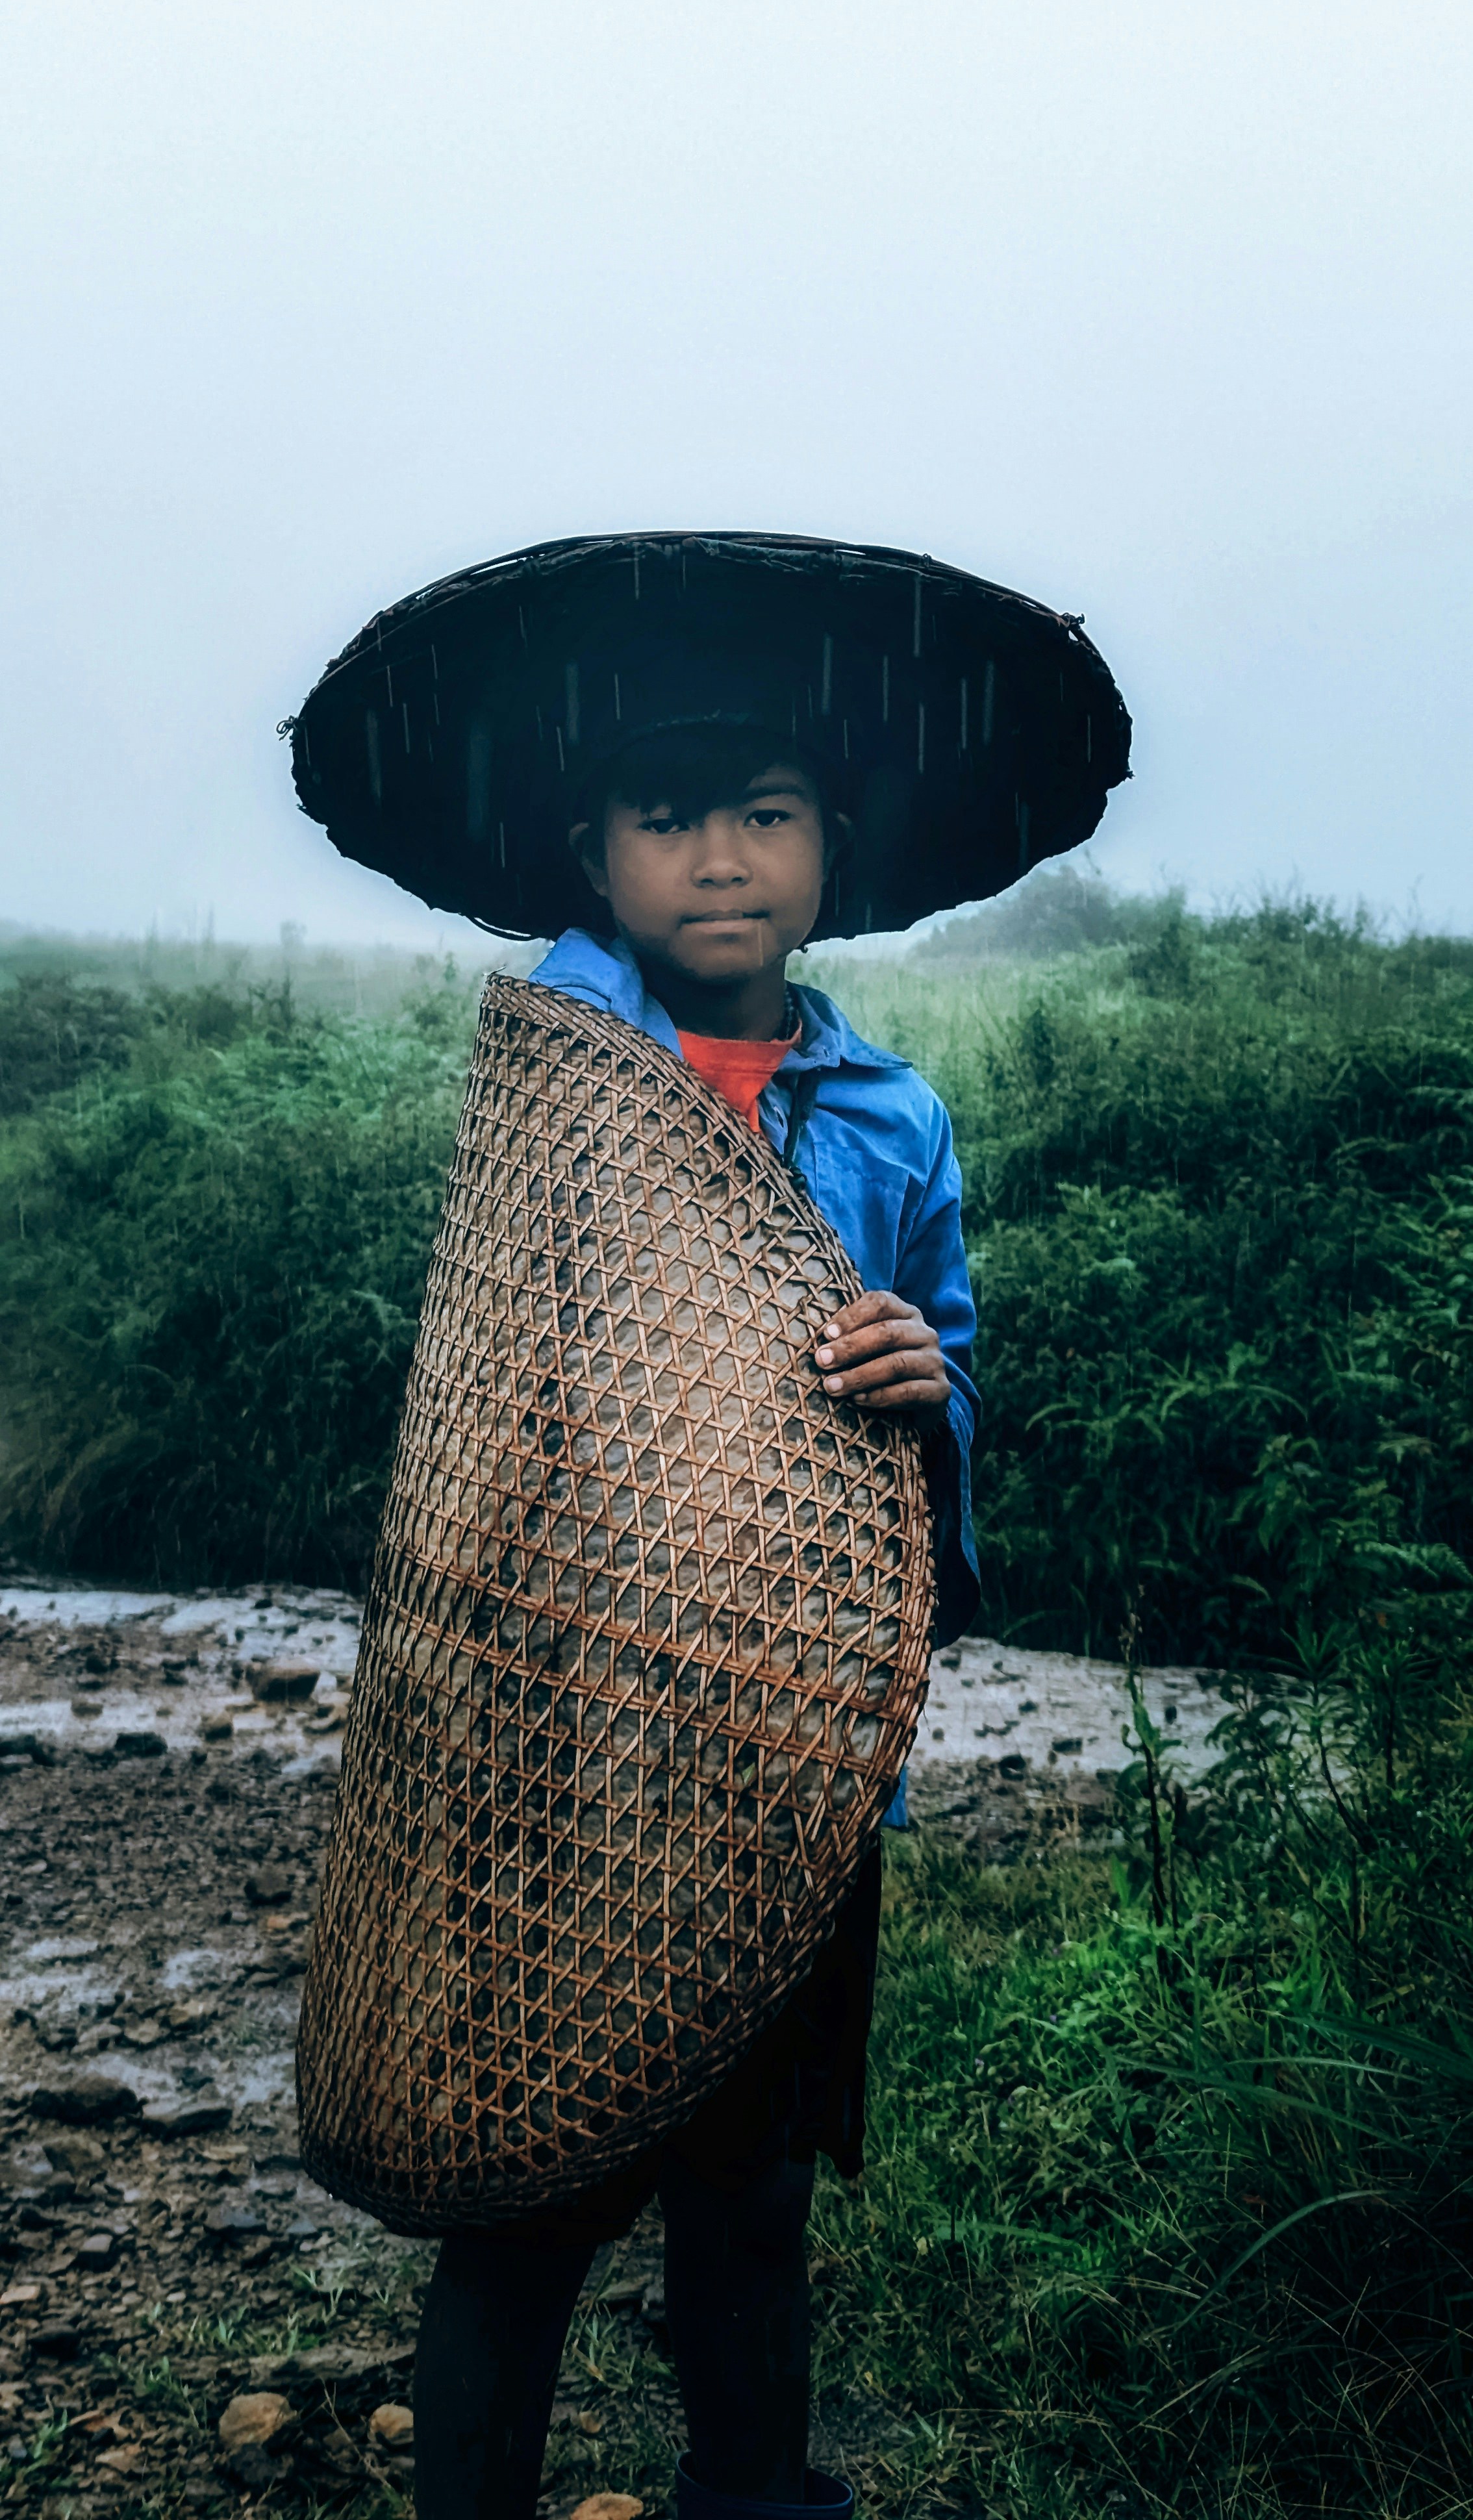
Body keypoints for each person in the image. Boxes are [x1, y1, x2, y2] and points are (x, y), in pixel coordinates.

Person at [411, 719, 982, 2520]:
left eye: (765, 815)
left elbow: (946, 1357)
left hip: (789, 1734)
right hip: (565, 1737)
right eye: (664, 822)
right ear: (595, 862)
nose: (720, 858)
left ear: (830, 848)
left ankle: (753, 2492)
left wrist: (926, 1382)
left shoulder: (891, 1114)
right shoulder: (564, 1069)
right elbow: (486, 1380)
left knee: (751, 2189)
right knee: (520, 2187)